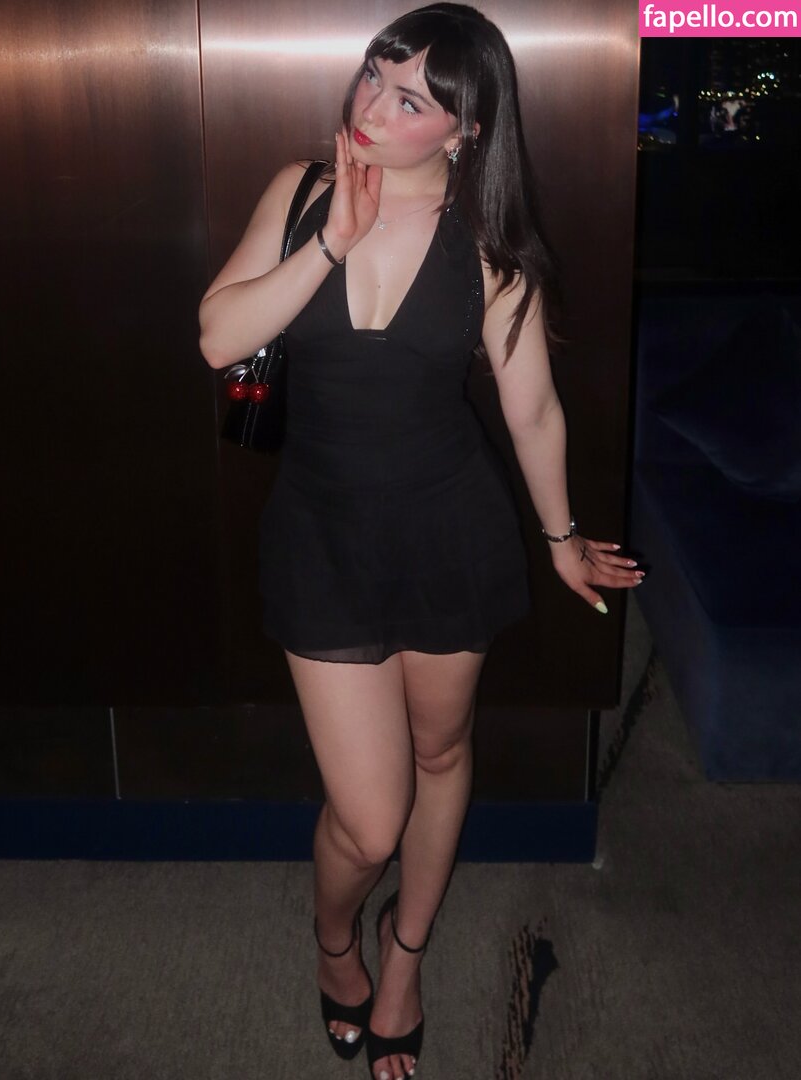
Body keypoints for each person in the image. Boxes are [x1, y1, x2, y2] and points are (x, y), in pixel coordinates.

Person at [199, 5, 642, 1078]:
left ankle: (404, 958)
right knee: (369, 820)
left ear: (465, 129)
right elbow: (218, 337)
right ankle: (334, 940)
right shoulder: (301, 192)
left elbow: (533, 411)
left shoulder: (490, 245)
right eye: (374, 74)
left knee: (443, 754)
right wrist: (331, 244)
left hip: (451, 533)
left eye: (410, 100)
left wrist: (561, 538)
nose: (372, 106)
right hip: (322, 539)